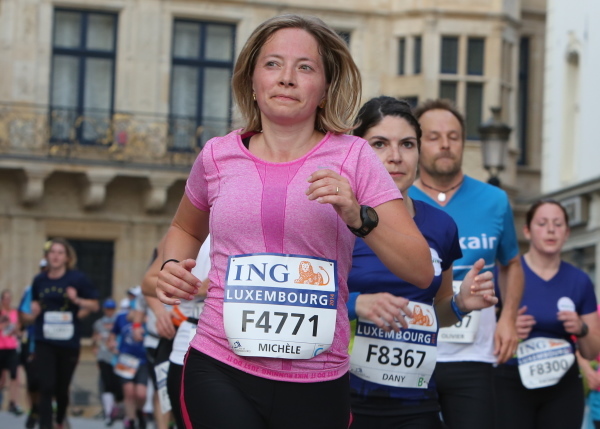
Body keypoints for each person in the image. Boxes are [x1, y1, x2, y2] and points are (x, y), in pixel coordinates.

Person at [155, 14, 433, 429]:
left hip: (318, 379)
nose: (286, 78)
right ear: (252, 81)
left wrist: (357, 216)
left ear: (324, 89)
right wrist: (172, 266)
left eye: (305, 67)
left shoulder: (354, 157)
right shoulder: (216, 155)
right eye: (273, 64)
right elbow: (184, 229)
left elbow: (420, 269)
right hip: (219, 365)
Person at [347, 96, 497, 429]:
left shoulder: (441, 226)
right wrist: (357, 304)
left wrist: (460, 304)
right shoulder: (338, 219)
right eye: (379, 144)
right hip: (344, 400)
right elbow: (306, 301)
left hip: (416, 402)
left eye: (407, 144)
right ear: (357, 150)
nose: (395, 156)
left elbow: (436, 313)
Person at [409, 99, 524, 428]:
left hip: (475, 354)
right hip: (413, 348)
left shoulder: (495, 200)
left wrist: (508, 318)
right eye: (433, 137)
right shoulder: (398, 201)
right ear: (416, 144)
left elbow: (512, 263)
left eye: (454, 136)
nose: (445, 144)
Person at [494, 200, 600, 429]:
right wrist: (505, 326)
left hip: (563, 386)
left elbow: (592, 351)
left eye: (558, 224)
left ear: (567, 232)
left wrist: (581, 328)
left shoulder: (580, 280)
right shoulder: (504, 274)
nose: (551, 230)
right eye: (542, 223)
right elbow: (477, 335)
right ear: (527, 231)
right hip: (510, 381)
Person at [29, 237, 99, 429]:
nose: (56, 256)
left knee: (61, 388)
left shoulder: (77, 279)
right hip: (44, 339)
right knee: (46, 385)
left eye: (60, 253)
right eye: (52, 252)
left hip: (68, 342)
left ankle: (59, 420)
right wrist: (34, 307)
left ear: (67, 257)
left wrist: (77, 300)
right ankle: (45, 425)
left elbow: (94, 305)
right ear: (47, 256)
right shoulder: (39, 280)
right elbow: (34, 301)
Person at [141, 235, 210, 429]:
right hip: (180, 331)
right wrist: (160, 312)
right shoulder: (183, 234)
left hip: (232, 338)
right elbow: (149, 282)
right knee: (165, 394)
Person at [109, 297, 148, 429]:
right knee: (129, 391)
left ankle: (139, 411)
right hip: (125, 359)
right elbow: (113, 335)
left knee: (141, 393)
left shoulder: (146, 318)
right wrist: (112, 344)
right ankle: (130, 420)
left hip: (142, 360)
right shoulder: (121, 318)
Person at [18, 257, 47, 429]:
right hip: (34, 342)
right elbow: (22, 316)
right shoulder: (31, 289)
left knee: (51, 381)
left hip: (55, 342)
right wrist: (36, 316)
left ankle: (49, 412)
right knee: (33, 382)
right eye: (43, 268)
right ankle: (34, 409)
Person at [92, 298, 123, 426]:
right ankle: (108, 413)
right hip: (104, 356)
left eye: (112, 308)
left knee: (118, 386)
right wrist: (95, 346)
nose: (109, 311)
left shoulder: (119, 321)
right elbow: (94, 338)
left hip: (117, 356)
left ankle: (116, 409)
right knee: (106, 384)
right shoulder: (98, 323)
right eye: (108, 308)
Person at [0, 289, 24, 415]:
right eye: (5, 298)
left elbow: (19, 331)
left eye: (9, 298)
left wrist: (15, 330)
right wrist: (3, 325)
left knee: (15, 376)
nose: (7, 300)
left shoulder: (15, 313)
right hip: (0, 347)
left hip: (12, 347)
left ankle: (13, 402)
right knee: (2, 378)